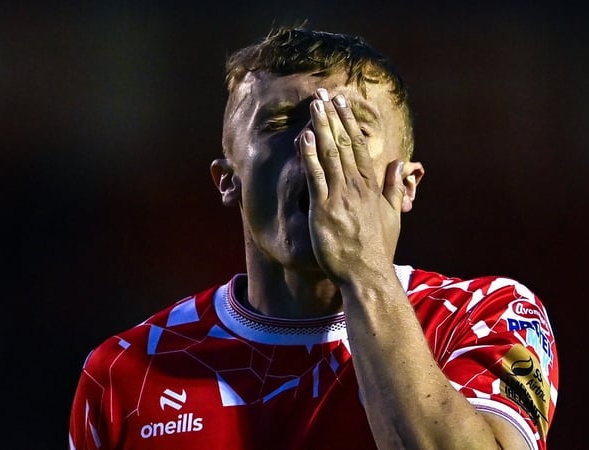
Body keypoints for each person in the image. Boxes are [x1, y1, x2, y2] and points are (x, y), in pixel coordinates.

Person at [69, 26, 559, 450]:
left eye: (353, 127)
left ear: (406, 184)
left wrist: (364, 270)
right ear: (228, 180)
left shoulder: (485, 315)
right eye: (280, 123)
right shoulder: (124, 370)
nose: (316, 148)